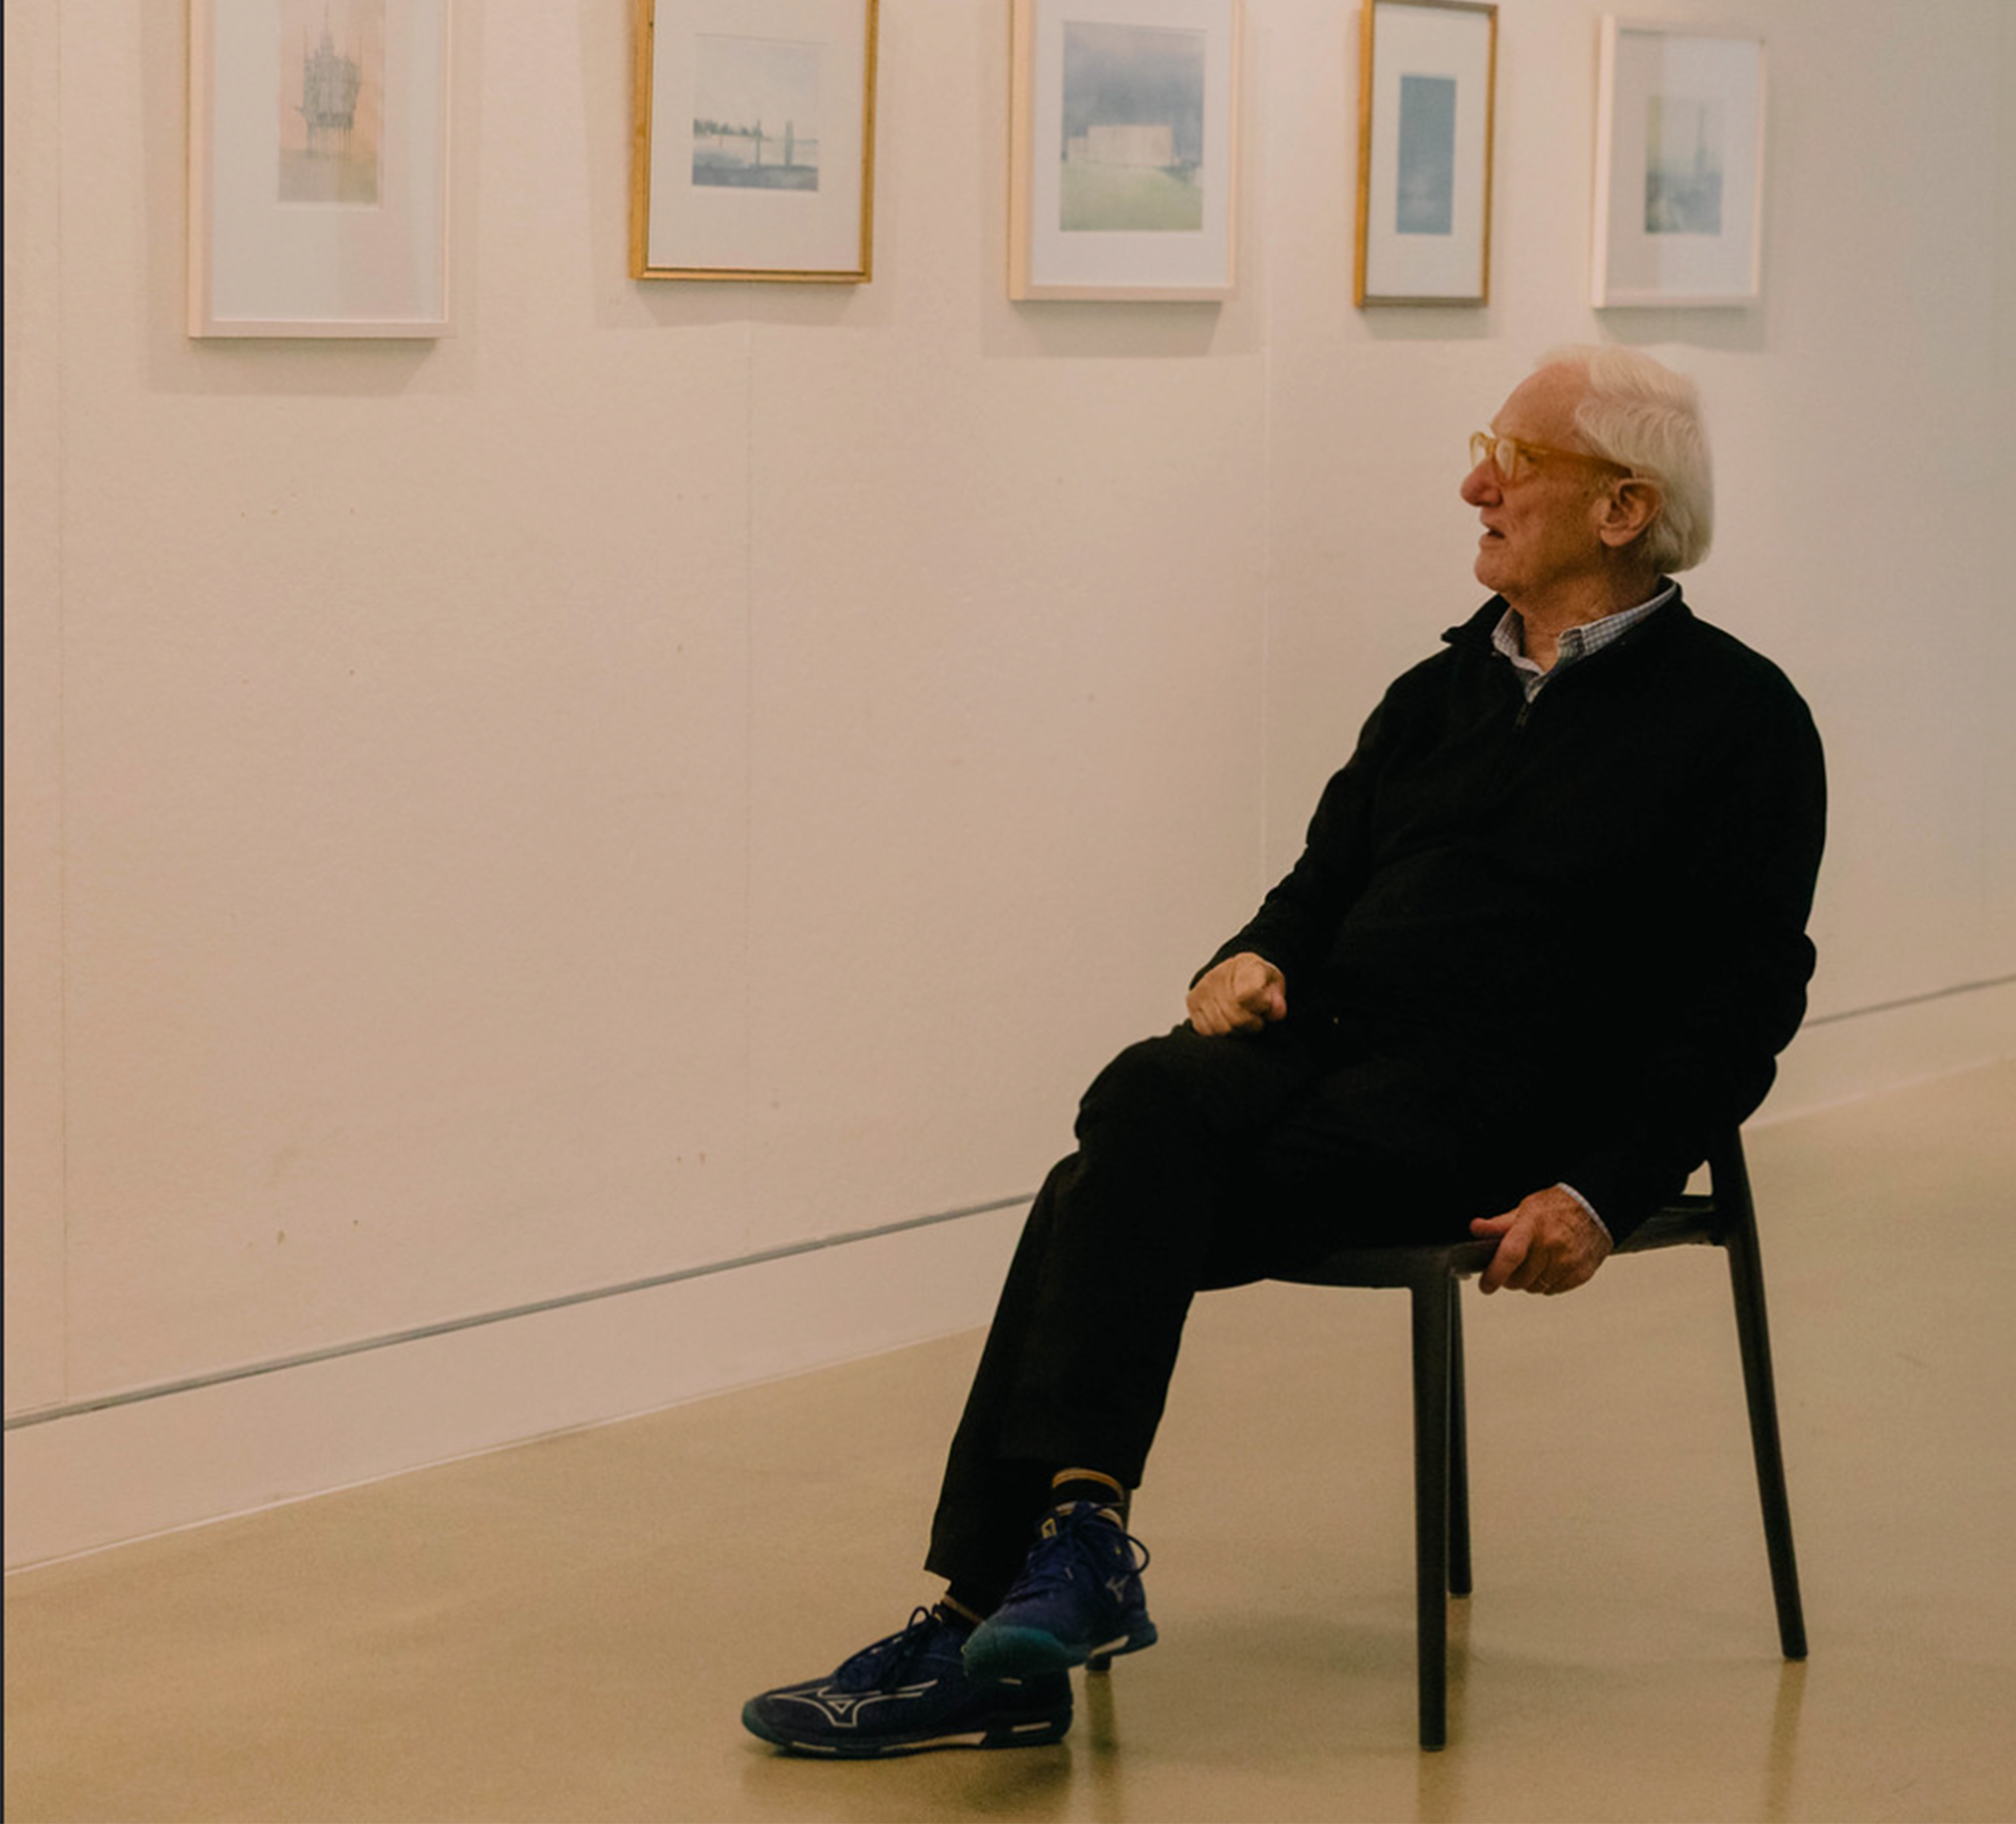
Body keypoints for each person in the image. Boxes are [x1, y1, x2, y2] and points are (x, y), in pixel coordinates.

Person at [741, 345, 1826, 1759]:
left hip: (1499, 1116)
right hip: (1329, 1058)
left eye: (1515, 457)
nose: (1473, 483)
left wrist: (1607, 1192)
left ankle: (986, 1621)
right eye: (1482, 445)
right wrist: (1247, 958)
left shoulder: (1740, 723)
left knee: (1101, 1198)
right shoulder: (1436, 690)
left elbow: (1741, 1008)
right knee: (1141, 1094)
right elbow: (1318, 893)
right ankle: (1064, 1557)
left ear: (1624, 510)